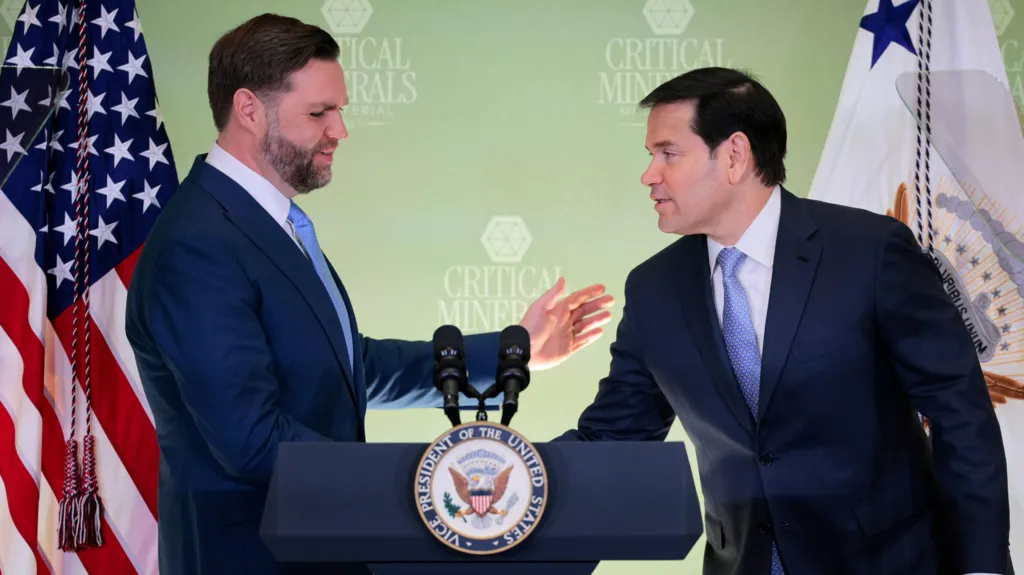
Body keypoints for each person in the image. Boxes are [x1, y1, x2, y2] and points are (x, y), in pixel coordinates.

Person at [124, 13, 614, 575]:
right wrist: (422, 489)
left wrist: (515, 349)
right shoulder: (199, 243)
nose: (340, 130)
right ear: (249, 109)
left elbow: (348, 366)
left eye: (340, 110)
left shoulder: (265, 222)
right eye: (318, 113)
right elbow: (251, 440)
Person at [556, 67, 1011, 575]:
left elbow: (959, 416)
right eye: (650, 156)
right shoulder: (652, 289)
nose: (649, 175)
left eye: (668, 153)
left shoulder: (870, 253)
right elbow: (614, 439)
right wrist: (506, 479)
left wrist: (983, 566)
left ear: (733, 155)